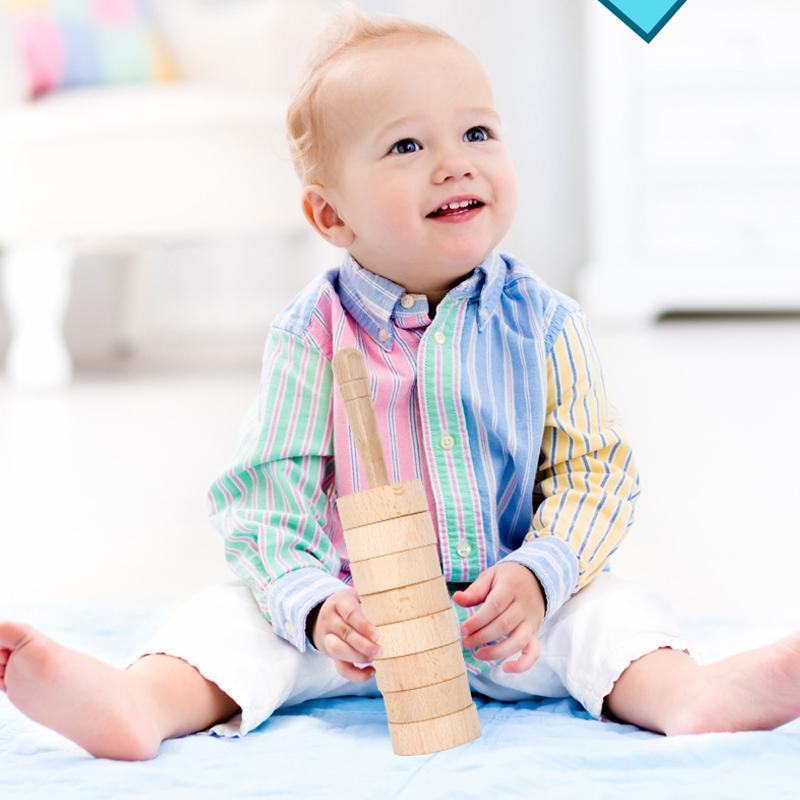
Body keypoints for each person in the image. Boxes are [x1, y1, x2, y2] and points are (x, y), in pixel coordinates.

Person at [1, 4, 799, 762]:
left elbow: (596, 473)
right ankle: (142, 702)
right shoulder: (310, 335)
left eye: (477, 132)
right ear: (330, 216)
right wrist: (315, 607)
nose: (455, 161)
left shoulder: (547, 324)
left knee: (614, 618)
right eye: (406, 147)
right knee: (228, 620)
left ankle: (690, 695)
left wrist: (541, 573)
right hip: (356, 634)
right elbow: (264, 494)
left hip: (514, 621)